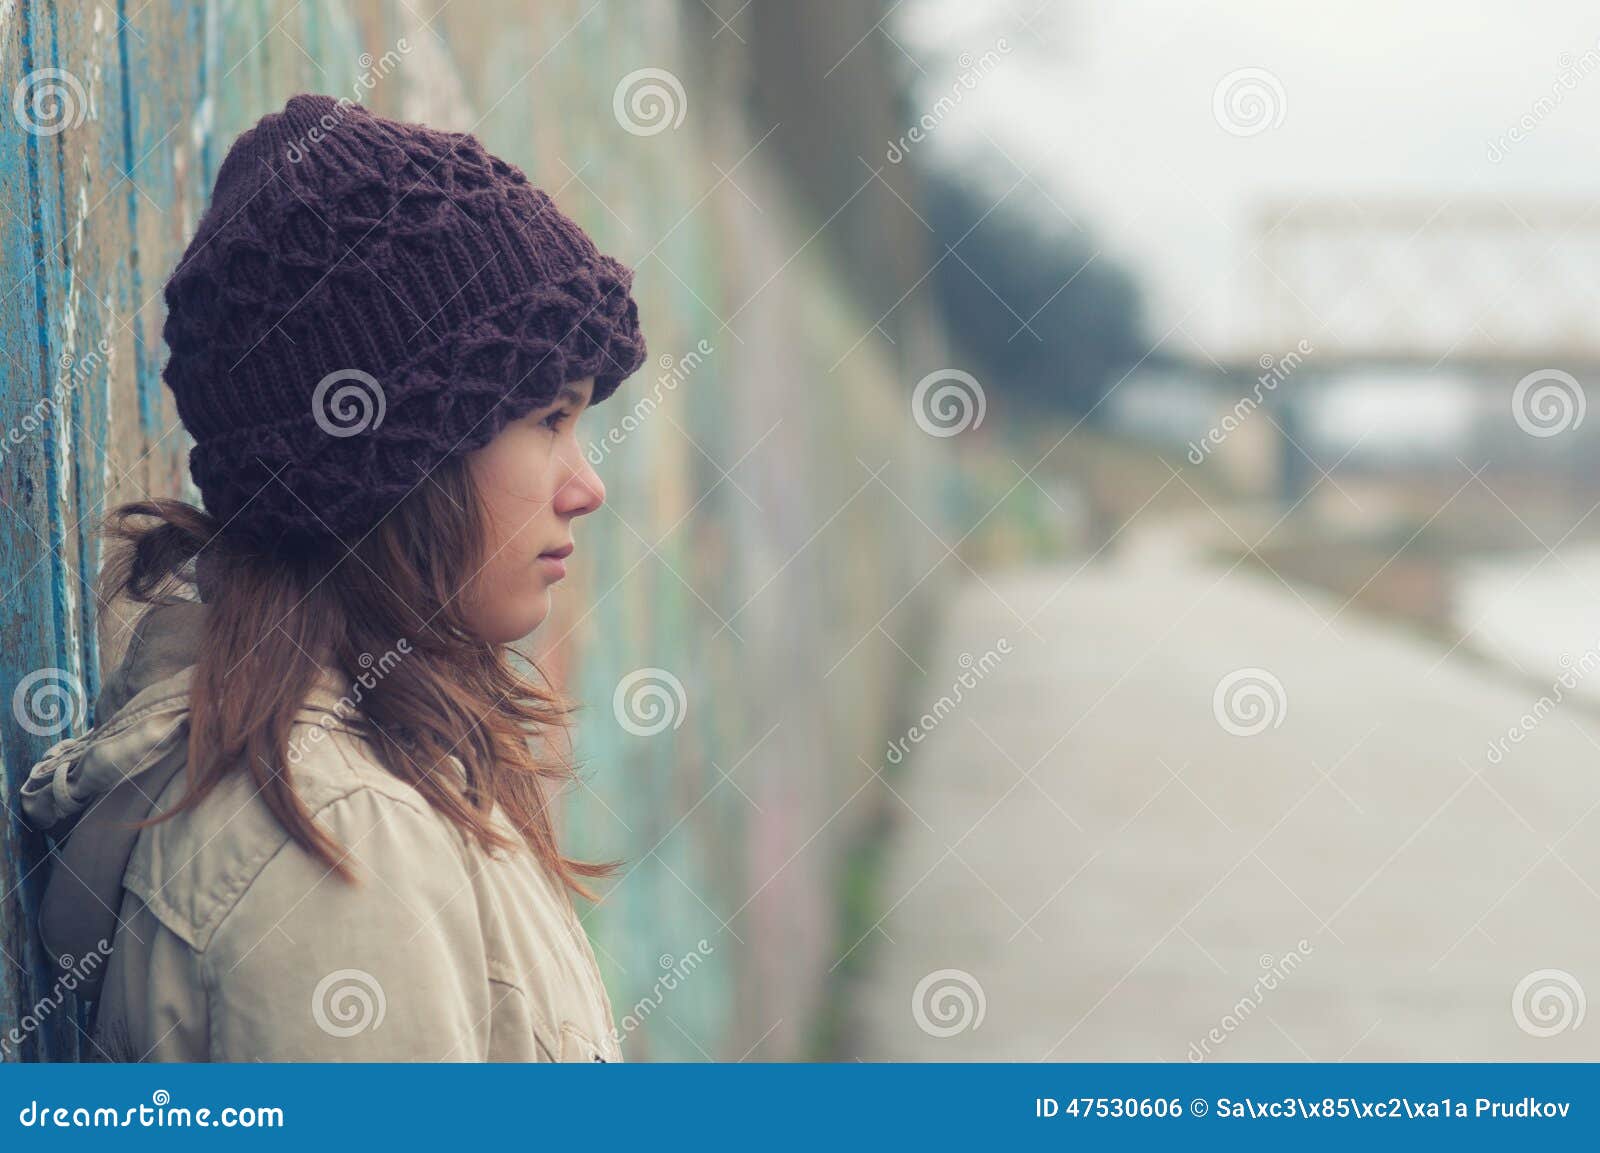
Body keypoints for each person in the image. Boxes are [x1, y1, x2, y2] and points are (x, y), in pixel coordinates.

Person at [19, 93, 647, 1062]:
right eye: (549, 420)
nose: (587, 485)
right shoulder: (337, 850)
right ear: (400, 459)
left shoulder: (392, 773)